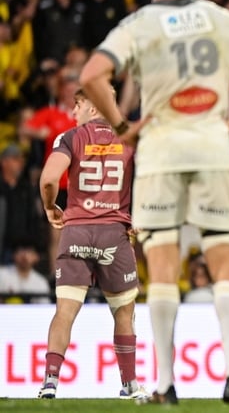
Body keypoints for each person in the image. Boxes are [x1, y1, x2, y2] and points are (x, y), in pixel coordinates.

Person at [78, 0, 229, 404]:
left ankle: (164, 384)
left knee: (161, 267)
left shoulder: (136, 24)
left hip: (161, 151)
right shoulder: (218, 16)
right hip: (215, 148)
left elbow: (90, 77)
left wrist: (123, 125)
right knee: (224, 264)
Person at [36, 87, 147, 400]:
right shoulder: (130, 137)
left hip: (76, 233)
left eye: (78, 105)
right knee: (124, 313)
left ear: (92, 107)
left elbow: (47, 180)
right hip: (115, 233)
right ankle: (129, 385)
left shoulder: (70, 138)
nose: (74, 113)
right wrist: (142, 213)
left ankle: (50, 382)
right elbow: (152, 175)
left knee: (65, 312)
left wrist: (49, 207)